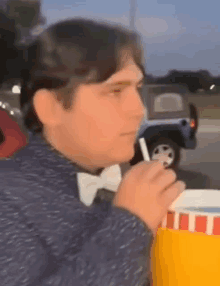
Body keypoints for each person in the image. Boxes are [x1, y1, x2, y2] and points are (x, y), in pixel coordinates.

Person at [0, 18, 186, 286]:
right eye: (115, 91)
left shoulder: (115, 186)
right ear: (50, 108)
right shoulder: (7, 198)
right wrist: (132, 222)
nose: (139, 110)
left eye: (137, 89)